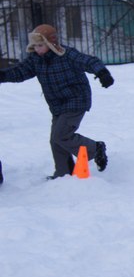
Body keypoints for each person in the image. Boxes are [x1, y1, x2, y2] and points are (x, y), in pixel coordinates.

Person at [0, 24, 113, 179]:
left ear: (51, 43)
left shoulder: (67, 55)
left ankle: (95, 148)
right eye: (35, 46)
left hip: (76, 100)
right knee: (55, 140)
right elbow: (19, 72)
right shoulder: (36, 59)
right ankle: (63, 173)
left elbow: (88, 61)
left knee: (61, 136)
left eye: (40, 45)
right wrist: (2, 76)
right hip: (57, 105)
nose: (37, 49)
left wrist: (102, 73)